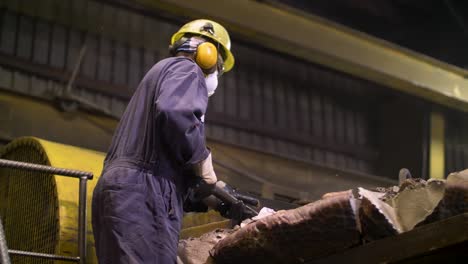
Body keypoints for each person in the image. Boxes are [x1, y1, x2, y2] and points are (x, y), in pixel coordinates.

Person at [91, 19, 235, 263]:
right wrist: (202, 161)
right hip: (144, 194)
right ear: (208, 55)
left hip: (119, 192)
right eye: (219, 67)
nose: (216, 75)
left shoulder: (160, 75)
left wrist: (208, 196)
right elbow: (175, 114)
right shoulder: (187, 70)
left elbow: (164, 155)